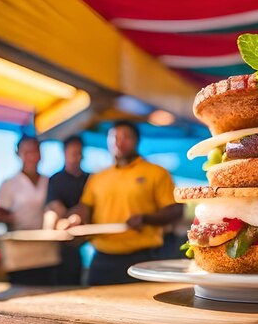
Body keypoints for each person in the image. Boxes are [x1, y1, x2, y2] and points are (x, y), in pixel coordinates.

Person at [66, 121, 183, 285]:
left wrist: (146, 218)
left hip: (141, 257)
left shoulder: (157, 173)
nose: (119, 142)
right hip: (102, 259)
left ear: (136, 141)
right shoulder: (97, 177)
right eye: (114, 137)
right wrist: (77, 218)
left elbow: (176, 210)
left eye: (126, 137)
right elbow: (86, 206)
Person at [0, 135, 56, 285]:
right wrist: (13, 219)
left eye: (34, 151)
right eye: (26, 152)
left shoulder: (49, 181)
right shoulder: (9, 184)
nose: (31, 156)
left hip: (46, 249)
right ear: (18, 154)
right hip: (20, 249)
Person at [45, 135, 89, 285]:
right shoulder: (56, 179)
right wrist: (70, 217)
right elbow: (55, 207)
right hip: (62, 241)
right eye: (72, 153)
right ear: (64, 153)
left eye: (78, 153)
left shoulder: (89, 179)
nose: (76, 157)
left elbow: (88, 207)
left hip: (87, 240)